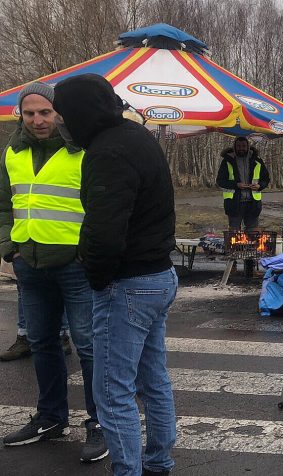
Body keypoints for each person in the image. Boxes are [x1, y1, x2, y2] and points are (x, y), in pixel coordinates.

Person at [54, 73, 177, 476]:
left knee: (112, 391)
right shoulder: (138, 138)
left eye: (63, 115)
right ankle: (159, 462)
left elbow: (105, 232)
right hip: (159, 275)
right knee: (153, 380)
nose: (60, 123)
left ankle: (129, 470)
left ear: (81, 114)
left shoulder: (106, 152)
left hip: (128, 284)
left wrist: (96, 276)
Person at [0, 81, 107, 463]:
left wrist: (86, 253)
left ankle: (100, 424)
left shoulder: (81, 150)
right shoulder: (12, 151)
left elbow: (100, 206)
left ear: (58, 113)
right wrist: (9, 248)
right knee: (43, 343)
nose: (37, 120)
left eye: (44, 112)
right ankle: (50, 417)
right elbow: (3, 204)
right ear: (20, 115)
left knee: (90, 346)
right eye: (29, 113)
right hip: (29, 265)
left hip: (75, 267)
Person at [216, 136, 269, 231]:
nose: (241, 148)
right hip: (234, 203)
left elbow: (266, 178)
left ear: (248, 146)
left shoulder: (257, 160)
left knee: (253, 234)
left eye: (243, 146)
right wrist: (236, 185)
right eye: (238, 146)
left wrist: (260, 186)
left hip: (253, 204)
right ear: (234, 147)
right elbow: (220, 181)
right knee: (234, 234)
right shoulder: (227, 160)